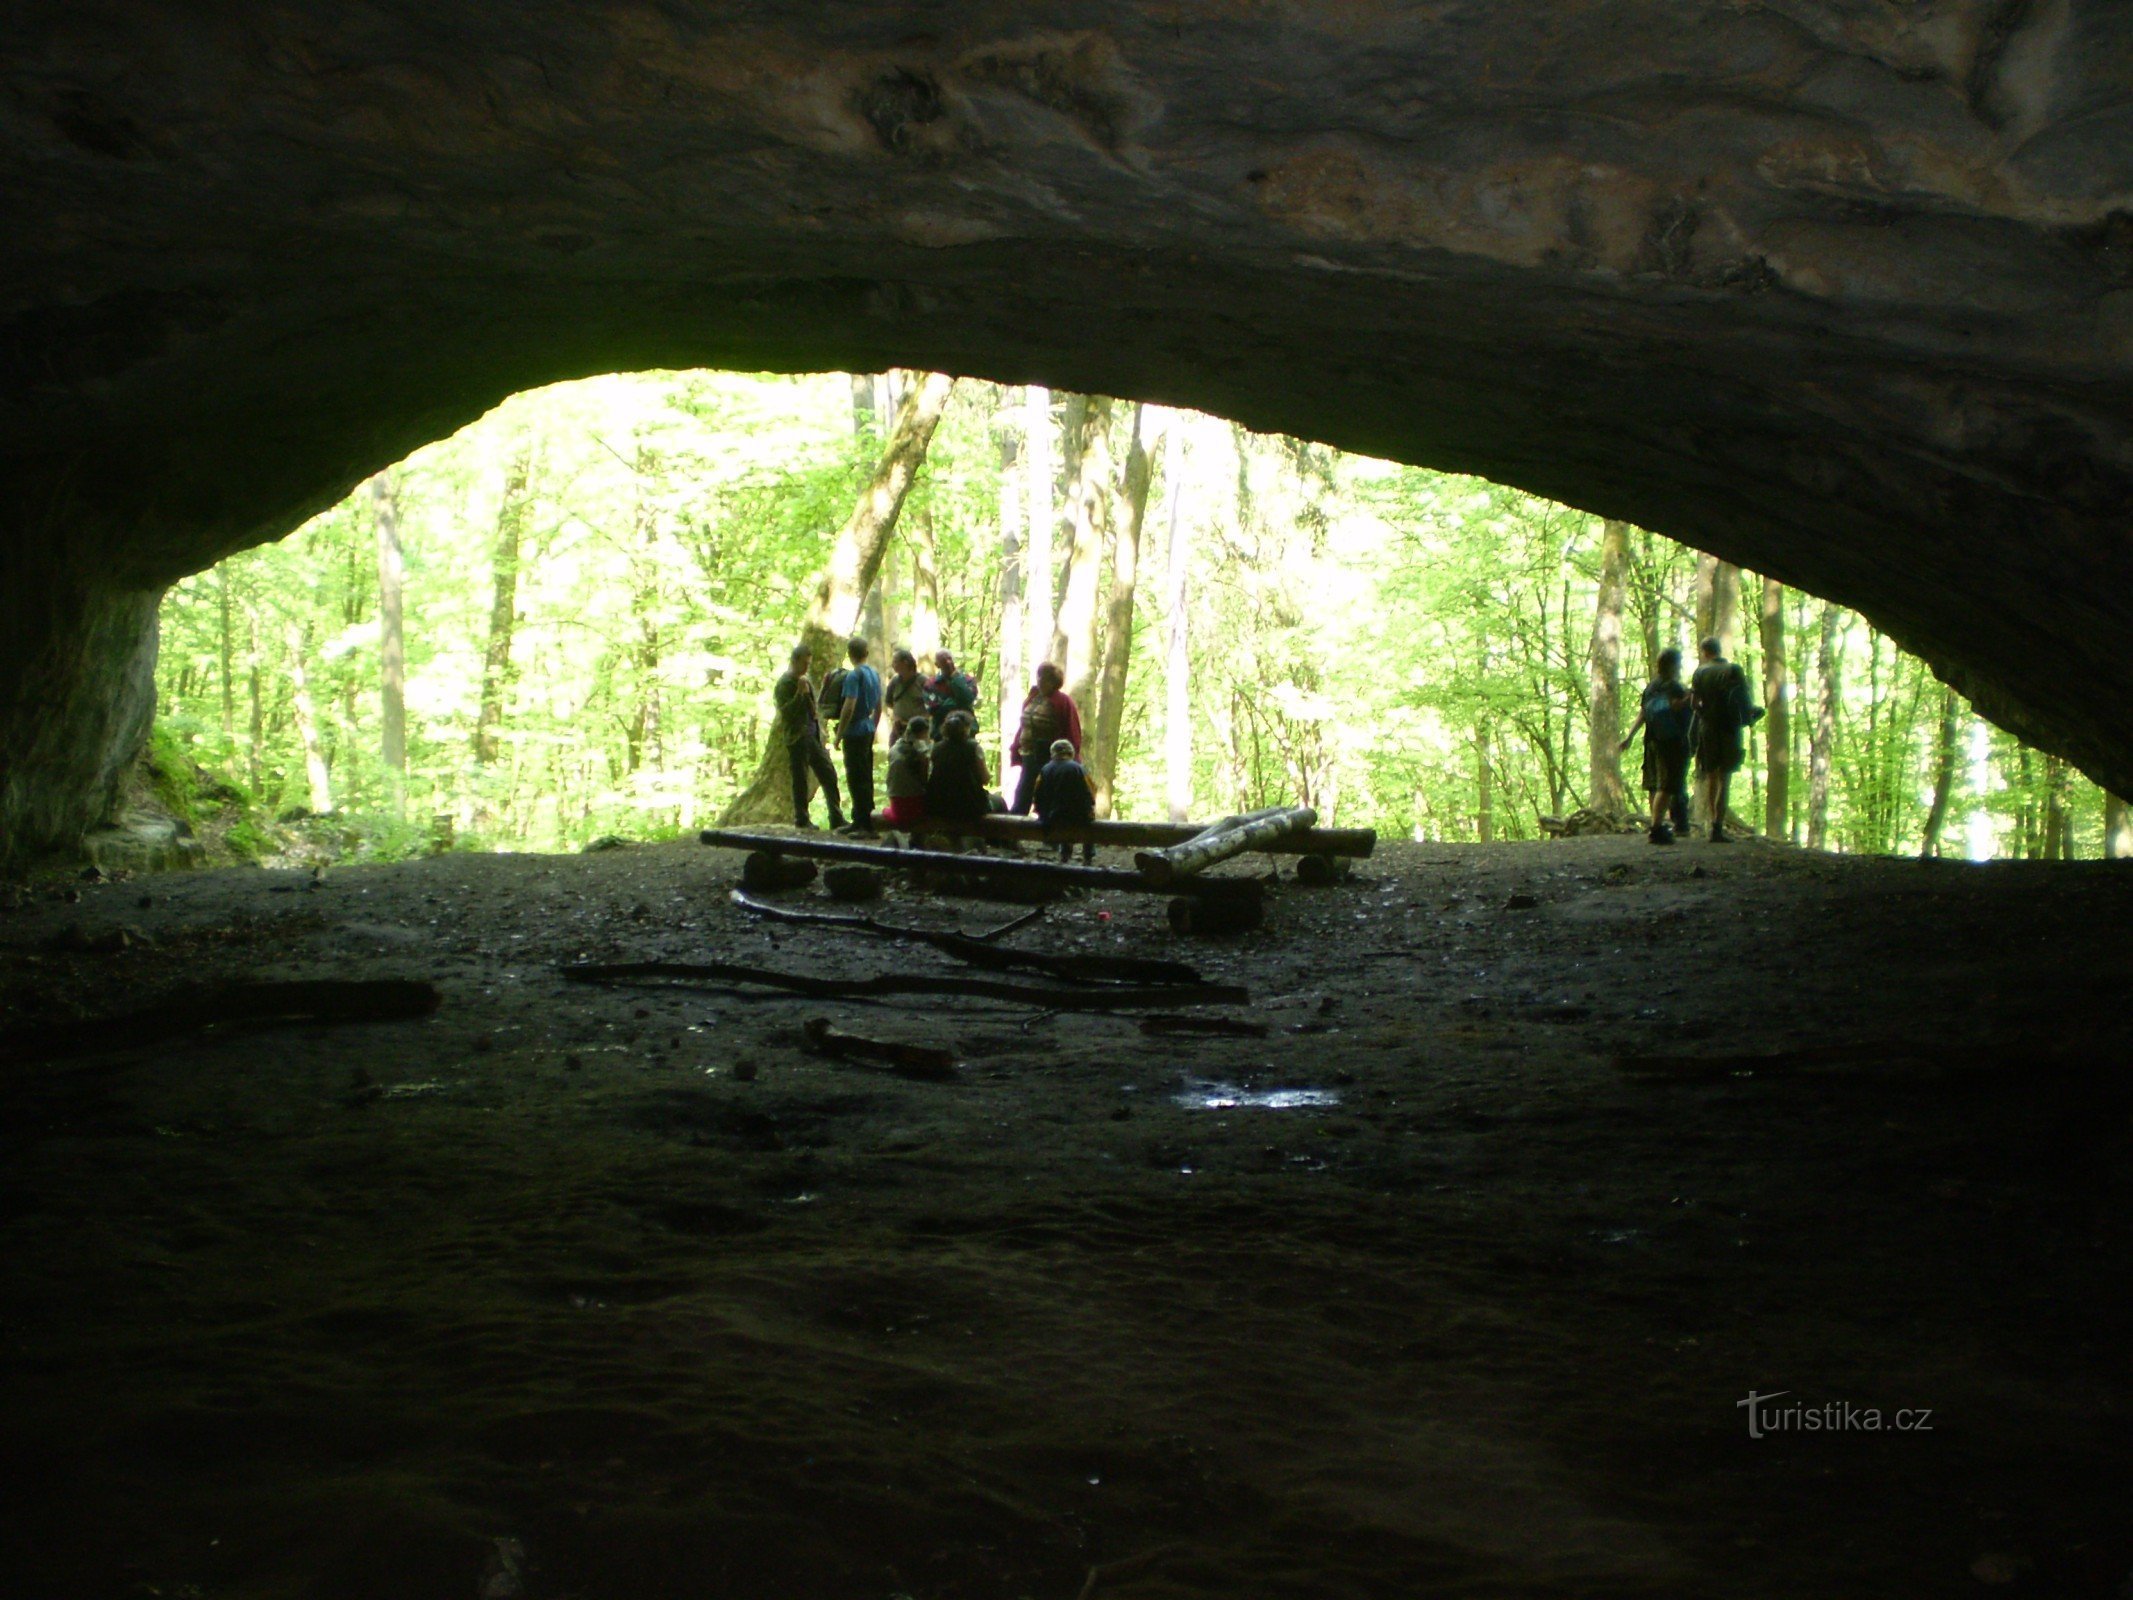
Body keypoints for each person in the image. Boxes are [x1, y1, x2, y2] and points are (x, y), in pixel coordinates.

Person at [1689, 635, 1761, 843]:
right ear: (1719, 650)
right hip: (1730, 729)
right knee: (1725, 778)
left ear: (1704, 652)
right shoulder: (1734, 670)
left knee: (1711, 776)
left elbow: (1694, 703)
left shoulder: (1700, 672)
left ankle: (1713, 823)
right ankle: (1718, 826)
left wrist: (1705, 712)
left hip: (1708, 729)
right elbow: (1744, 700)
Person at [1620, 648, 1690, 845]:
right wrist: (1689, 698)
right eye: (1679, 663)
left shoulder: (1651, 687)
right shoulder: (1674, 687)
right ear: (1672, 665)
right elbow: (1677, 707)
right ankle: (1658, 828)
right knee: (1668, 785)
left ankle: (1657, 824)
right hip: (1672, 741)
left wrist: (1629, 736)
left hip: (1652, 740)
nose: (1681, 666)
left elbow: (1643, 713)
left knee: (1654, 784)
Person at [772, 643, 845, 831]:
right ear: (794, 661)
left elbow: (812, 705)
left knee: (828, 773)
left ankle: (836, 817)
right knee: (801, 779)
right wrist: (799, 693)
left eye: (809, 664)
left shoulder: (805, 679)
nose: (806, 668)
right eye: (804, 663)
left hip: (813, 736)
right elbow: (787, 713)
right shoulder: (784, 684)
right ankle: (801, 819)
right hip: (797, 738)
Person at [1010, 662, 1082, 815]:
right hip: (1029, 755)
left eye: (1045, 678)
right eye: (1040, 677)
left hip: (1050, 758)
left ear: (1053, 682)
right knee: (1023, 794)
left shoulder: (1062, 701)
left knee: (1047, 798)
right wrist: (1016, 746)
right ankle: (1012, 832)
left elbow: (1072, 730)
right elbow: (1024, 725)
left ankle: (1049, 832)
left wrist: (1069, 756)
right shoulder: (1034, 698)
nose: (1040, 681)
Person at [836, 636, 883, 832]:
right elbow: (879, 705)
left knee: (856, 777)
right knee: (866, 775)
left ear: (850, 654)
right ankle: (866, 819)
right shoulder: (873, 673)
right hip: (868, 728)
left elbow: (849, 705)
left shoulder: (854, 676)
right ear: (867, 653)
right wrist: (874, 725)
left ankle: (862, 823)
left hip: (854, 731)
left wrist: (839, 733)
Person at [923, 710, 992, 830]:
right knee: (999, 802)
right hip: (968, 805)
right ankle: (1004, 843)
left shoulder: (936, 748)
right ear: (966, 728)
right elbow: (985, 779)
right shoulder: (974, 748)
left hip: (938, 805)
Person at [1033, 737, 1097, 864]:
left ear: (1053, 753)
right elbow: (1091, 791)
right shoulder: (1079, 769)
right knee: (1089, 820)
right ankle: (1088, 856)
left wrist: (1042, 812)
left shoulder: (1045, 769)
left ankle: (1065, 854)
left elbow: (1036, 794)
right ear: (1071, 753)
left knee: (1061, 810)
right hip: (1078, 818)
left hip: (1050, 819)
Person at [882, 715, 931, 832]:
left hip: (896, 801)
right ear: (923, 732)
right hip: (916, 804)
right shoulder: (922, 752)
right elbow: (925, 780)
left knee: (885, 811)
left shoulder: (895, 748)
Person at [925, 650, 980, 731]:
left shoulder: (968, 680)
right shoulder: (931, 684)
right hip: (941, 732)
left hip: (967, 731)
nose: (948, 662)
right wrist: (957, 703)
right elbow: (933, 709)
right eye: (943, 660)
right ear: (937, 665)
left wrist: (956, 679)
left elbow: (968, 699)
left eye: (950, 659)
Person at [883, 648, 929, 742]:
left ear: (905, 662)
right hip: (899, 729)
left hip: (919, 731)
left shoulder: (923, 681)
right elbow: (889, 702)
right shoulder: (894, 682)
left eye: (895, 662)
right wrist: (896, 716)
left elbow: (932, 705)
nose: (893, 665)